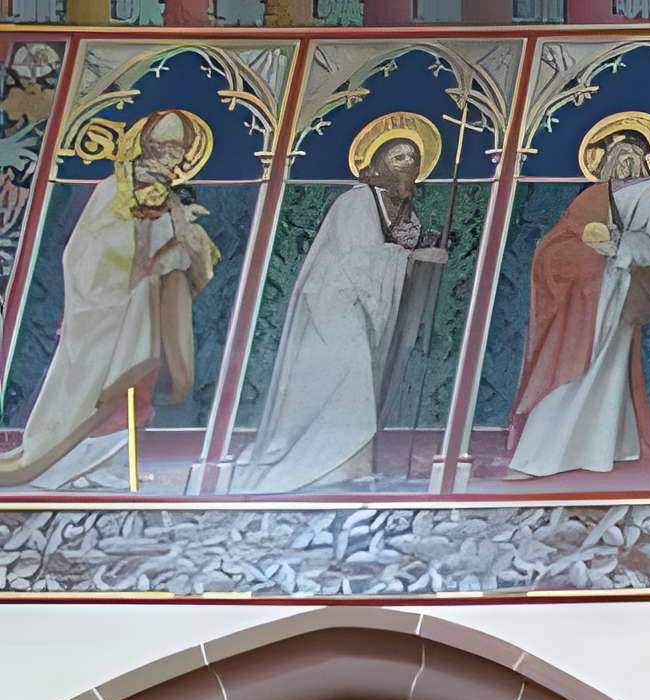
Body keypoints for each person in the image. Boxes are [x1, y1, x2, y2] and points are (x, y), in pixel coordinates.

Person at [0, 110, 223, 491]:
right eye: (164, 148)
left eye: (178, 151)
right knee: (94, 391)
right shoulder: (112, 190)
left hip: (147, 315)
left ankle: (114, 464)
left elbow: (184, 263)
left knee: (139, 392)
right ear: (146, 146)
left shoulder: (170, 202)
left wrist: (187, 241)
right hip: (107, 311)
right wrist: (140, 259)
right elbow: (84, 252)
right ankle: (73, 465)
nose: (171, 158)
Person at [237, 121, 450, 495]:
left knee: (359, 382)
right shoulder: (356, 201)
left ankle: (352, 465)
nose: (408, 164)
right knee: (349, 380)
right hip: (332, 305)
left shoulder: (406, 213)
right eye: (398, 157)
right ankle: (325, 463)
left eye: (413, 159)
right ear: (378, 164)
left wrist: (418, 254)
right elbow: (358, 258)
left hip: (360, 309)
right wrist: (413, 258)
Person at [507, 121, 650, 481]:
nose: (624, 161)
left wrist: (618, 244)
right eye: (617, 153)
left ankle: (557, 453)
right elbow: (563, 237)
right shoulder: (595, 194)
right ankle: (576, 450)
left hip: (617, 288)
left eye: (632, 154)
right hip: (584, 291)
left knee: (596, 366)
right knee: (574, 362)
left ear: (646, 158)